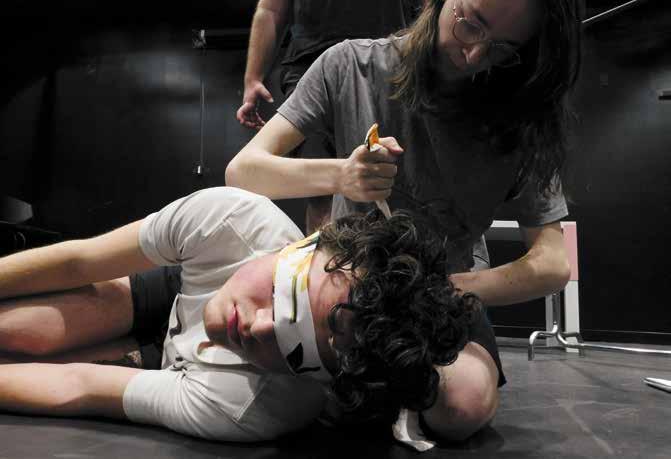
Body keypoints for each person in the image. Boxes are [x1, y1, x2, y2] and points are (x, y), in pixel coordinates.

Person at [225, 0, 583, 439]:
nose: (474, 55)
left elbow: (552, 263)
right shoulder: (349, 65)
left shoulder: (523, 114)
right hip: (346, 295)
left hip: (445, 298)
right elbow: (243, 172)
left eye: (503, 49)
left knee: (463, 406)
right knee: (284, 397)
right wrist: (342, 176)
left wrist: (441, 291)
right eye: (471, 24)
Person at [0, 186, 500, 443]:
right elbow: (80, 260)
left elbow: (83, 386)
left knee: (463, 404)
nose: (258, 327)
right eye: (283, 296)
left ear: (315, 377)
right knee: (22, 330)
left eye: (296, 348)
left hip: (189, 369)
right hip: (190, 288)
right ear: (308, 242)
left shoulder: (251, 406)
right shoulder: (233, 222)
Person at [236, 0, 424, 232]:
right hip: (312, 66)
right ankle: (326, 255)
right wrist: (253, 78)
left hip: (386, 66)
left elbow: (431, 3)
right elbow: (271, 9)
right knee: (321, 197)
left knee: (391, 186)